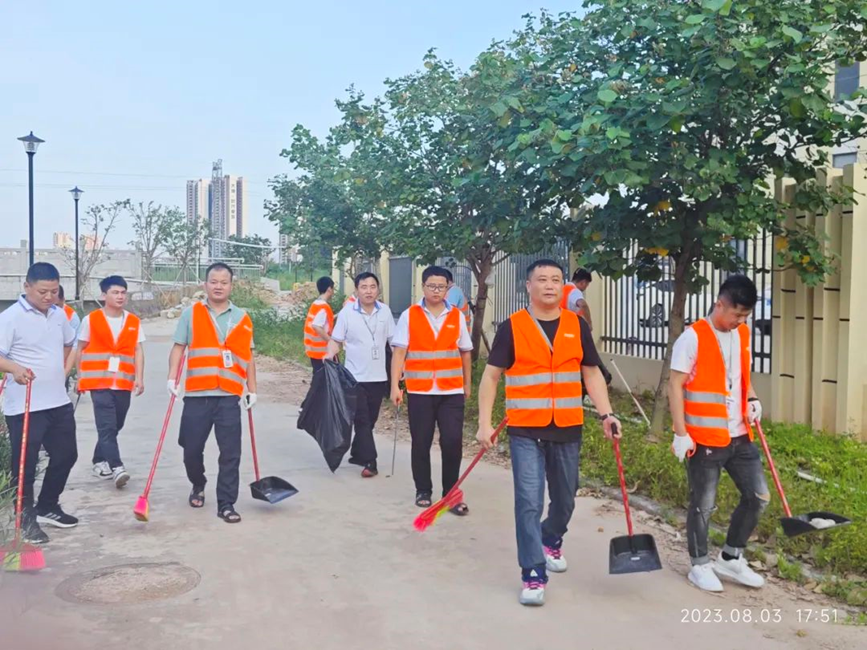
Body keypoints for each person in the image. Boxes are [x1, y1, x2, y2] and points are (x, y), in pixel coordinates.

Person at [476, 259, 621, 607]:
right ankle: (533, 572)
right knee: (528, 501)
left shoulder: (576, 325)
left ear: (563, 286)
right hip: (525, 429)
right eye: (542, 279)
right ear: (529, 286)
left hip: (567, 427)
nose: (550, 285)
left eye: (556, 279)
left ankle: (551, 537)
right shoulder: (512, 327)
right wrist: (484, 423)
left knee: (566, 498)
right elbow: (491, 376)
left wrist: (607, 414)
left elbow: (591, 372)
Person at [668, 274, 768, 593]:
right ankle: (699, 565)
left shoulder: (742, 334)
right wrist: (680, 432)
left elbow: (741, 376)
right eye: (737, 314)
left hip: (739, 434)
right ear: (719, 304)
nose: (741, 321)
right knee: (703, 504)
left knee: (758, 497)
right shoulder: (693, 338)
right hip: (704, 438)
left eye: (746, 316)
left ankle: (730, 557)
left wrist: (752, 399)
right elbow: (675, 384)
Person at [168, 262, 257, 524]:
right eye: (214, 282)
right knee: (190, 448)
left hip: (229, 395)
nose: (218, 286)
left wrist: (252, 390)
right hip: (197, 394)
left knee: (230, 453)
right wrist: (172, 378)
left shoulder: (242, 317)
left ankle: (226, 504)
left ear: (231, 285)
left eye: (224, 282)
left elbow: (248, 356)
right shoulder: (191, 314)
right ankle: (198, 482)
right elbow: (178, 347)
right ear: (205, 284)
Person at [0, 263, 79, 544]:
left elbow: (70, 342)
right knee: (26, 464)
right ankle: (25, 518)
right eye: (43, 291)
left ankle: (47, 505)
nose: (49, 297)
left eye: (54, 291)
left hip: (57, 401)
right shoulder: (10, 318)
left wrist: (62, 368)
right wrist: (15, 369)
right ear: (27, 287)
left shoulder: (58, 315)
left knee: (66, 455)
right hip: (25, 405)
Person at [391, 266, 473, 512]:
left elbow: (465, 352)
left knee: (452, 441)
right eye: (431, 286)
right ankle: (423, 489)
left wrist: (467, 383)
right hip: (420, 390)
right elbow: (399, 352)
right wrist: (395, 385)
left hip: (451, 391)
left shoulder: (456, 316)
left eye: (441, 287)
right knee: (421, 441)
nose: (436, 291)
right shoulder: (410, 315)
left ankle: (451, 493)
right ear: (423, 286)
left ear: (448, 288)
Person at [76, 275, 145, 488]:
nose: (120, 296)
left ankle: (99, 459)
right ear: (103, 295)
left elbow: (138, 351)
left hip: (123, 382)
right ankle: (117, 467)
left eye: (123, 292)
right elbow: (80, 349)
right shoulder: (91, 320)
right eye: (115, 292)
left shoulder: (133, 321)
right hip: (99, 383)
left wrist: (139, 378)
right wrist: (80, 377)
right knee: (106, 426)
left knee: (116, 425)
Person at [325, 272, 394, 477]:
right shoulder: (347, 313)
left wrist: (402, 367)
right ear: (356, 290)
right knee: (362, 419)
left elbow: (394, 341)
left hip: (378, 376)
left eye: (372, 287)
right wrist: (328, 356)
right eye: (364, 287)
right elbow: (336, 340)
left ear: (378, 289)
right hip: (354, 377)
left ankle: (357, 452)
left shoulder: (385, 312)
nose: (368, 291)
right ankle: (370, 462)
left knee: (370, 420)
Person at [304, 276, 335, 371]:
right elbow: (316, 326)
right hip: (322, 351)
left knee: (318, 376)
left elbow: (320, 321)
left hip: (312, 349)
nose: (333, 292)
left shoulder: (316, 304)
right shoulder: (323, 307)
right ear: (329, 289)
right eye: (333, 289)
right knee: (325, 377)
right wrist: (331, 342)